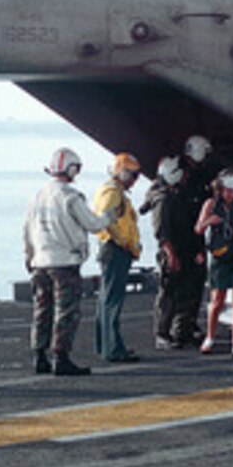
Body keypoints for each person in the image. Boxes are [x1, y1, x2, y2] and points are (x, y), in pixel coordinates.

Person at [23, 148, 114, 375]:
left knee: (42, 310)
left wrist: (29, 255)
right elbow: (92, 224)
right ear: (71, 168)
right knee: (66, 311)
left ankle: (39, 356)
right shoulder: (71, 197)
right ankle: (61, 358)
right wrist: (109, 217)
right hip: (64, 262)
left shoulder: (36, 196)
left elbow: (27, 230)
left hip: (39, 262)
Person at [194, 168, 233, 359]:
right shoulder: (210, 204)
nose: (232, 194)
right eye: (228, 190)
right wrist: (208, 222)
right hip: (221, 257)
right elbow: (197, 229)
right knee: (217, 301)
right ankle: (210, 337)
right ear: (220, 188)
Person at [147, 156, 204, 349]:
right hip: (173, 251)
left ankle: (181, 331)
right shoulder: (163, 199)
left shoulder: (176, 195)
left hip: (185, 249)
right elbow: (162, 233)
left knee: (185, 292)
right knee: (168, 294)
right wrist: (171, 255)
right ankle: (162, 334)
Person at [92, 152, 143, 363]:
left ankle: (108, 345)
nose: (135, 180)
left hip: (115, 248)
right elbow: (106, 220)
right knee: (112, 300)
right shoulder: (112, 193)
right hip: (115, 249)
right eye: (133, 175)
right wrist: (125, 242)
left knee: (107, 298)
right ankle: (112, 348)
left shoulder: (115, 192)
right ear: (121, 172)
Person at [178, 135, 217, 342]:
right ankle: (185, 326)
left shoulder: (186, 176)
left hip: (191, 236)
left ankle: (185, 325)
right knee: (192, 283)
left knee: (193, 283)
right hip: (192, 238)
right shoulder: (194, 180)